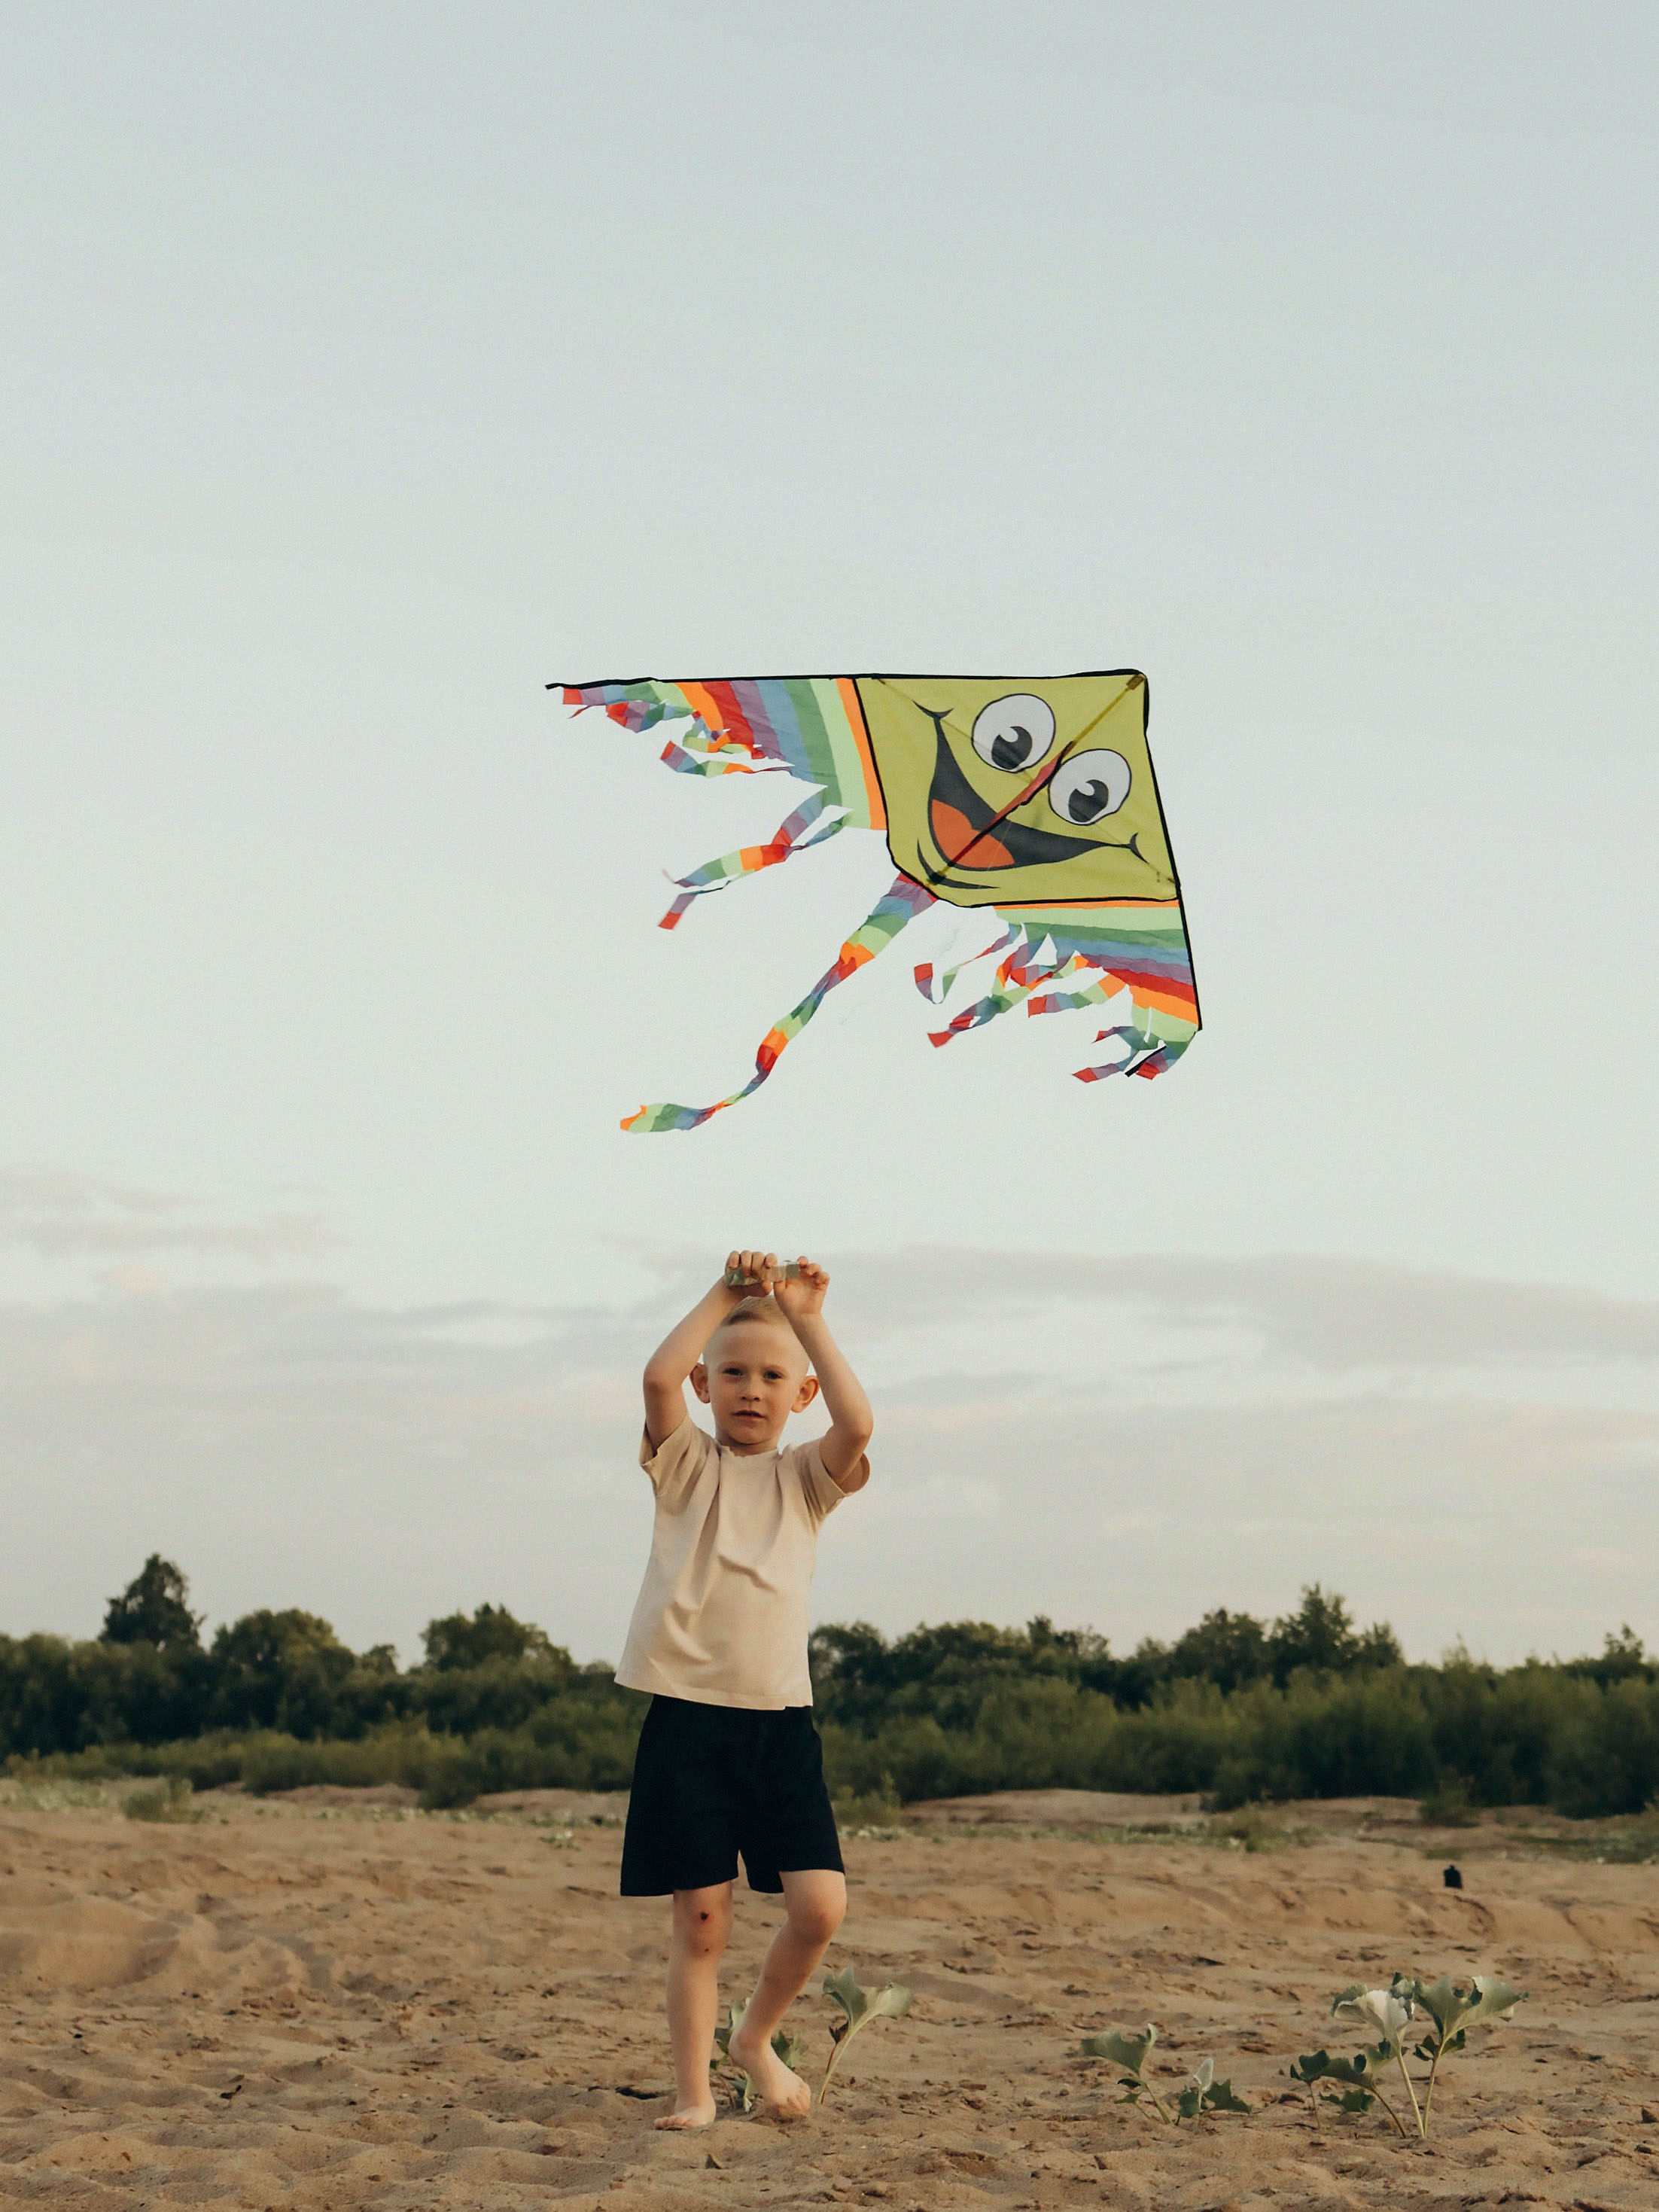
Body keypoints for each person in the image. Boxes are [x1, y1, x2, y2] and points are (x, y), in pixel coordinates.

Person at [616, 1248, 872, 2128]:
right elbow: (655, 1379)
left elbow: (858, 1424)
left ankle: (754, 2038)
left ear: (800, 1393)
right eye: (731, 1373)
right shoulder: (685, 1465)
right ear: (706, 1383)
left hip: (778, 1724)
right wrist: (723, 1294)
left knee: (820, 1906)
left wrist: (807, 1320)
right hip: (687, 1722)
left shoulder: (805, 1479)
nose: (751, 1390)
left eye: (771, 1377)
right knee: (700, 1924)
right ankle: (692, 2094)